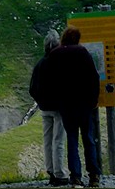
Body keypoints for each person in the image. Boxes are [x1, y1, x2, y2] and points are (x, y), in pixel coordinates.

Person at [45, 25, 102, 187]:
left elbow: (51, 81)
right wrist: (93, 100)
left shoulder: (55, 55)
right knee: (88, 138)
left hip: (66, 105)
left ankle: (76, 176)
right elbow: (94, 78)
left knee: (72, 139)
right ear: (77, 38)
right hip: (84, 104)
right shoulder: (83, 53)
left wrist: (57, 100)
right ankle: (94, 175)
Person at [29, 29, 69, 186]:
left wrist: (40, 101)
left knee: (47, 140)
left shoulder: (40, 64)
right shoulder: (60, 63)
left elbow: (32, 88)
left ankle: (51, 172)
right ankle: (60, 174)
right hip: (59, 108)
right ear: (57, 44)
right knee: (58, 140)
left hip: (44, 108)